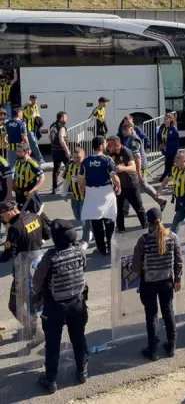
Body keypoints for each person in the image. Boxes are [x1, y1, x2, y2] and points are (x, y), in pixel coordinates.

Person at [32, 220, 88, 394]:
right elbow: (83, 268)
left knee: (53, 344)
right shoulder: (79, 251)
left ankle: (51, 380)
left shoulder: (50, 257)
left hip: (55, 307)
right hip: (78, 303)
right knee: (79, 339)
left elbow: (37, 283)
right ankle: (82, 372)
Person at [129, 208, 182, 360]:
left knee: (151, 315)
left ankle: (153, 350)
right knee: (168, 311)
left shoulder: (143, 240)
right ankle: (171, 346)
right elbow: (178, 261)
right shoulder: (172, 237)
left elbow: (136, 267)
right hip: (167, 282)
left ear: (148, 222)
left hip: (149, 283)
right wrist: (177, 279)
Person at [0, 200, 50, 337]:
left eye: (2, 216)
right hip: (39, 266)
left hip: (23, 271)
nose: (2, 220)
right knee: (37, 299)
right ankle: (43, 327)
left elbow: (9, 254)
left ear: (9, 212)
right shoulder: (35, 217)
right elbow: (47, 235)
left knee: (15, 305)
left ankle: (33, 330)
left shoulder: (15, 228)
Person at [81, 138, 122, 250]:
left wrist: (83, 191)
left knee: (96, 222)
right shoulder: (107, 160)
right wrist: (119, 186)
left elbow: (81, 180)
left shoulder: (86, 161)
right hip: (106, 193)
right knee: (109, 220)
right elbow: (114, 176)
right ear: (100, 146)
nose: (106, 145)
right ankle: (110, 246)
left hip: (91, 193)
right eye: (104, 143)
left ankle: (101, 248)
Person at [121, 123, 168, 212]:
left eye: (126, 130)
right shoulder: (128, 138)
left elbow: (137, 158)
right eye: (123, 130)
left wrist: (138, 173)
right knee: (129, 187)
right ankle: (125, 208)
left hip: (138, 167)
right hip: (133, 167)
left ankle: (160, 200)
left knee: (142, 186)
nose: (124, 132)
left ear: (131, 129)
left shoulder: (134, 140)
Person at [106, 135, 145, 233]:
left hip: (131, 185)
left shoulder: (126, 151)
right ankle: (121, 229)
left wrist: (123, 168)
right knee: (119, 209)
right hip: (119, 186)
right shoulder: (110, 153)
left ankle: (146, 227)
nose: (108, 147)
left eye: (110, 145)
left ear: (117, 145)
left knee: (138, 208)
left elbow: (133, 168)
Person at [61, 147, 92, 249]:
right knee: (77, 216)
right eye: (74, 157)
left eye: (78, 157)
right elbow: (66, 179)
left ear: (84, 156)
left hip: (86, 197)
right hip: (74, 196)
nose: (76, 159)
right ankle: (91, 229)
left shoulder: (88, 165)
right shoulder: (70, 164)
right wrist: (64, 193)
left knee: (84, 219)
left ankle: (86, 239)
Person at [12, 142, 46, 214]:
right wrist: (14, 183)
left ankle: (47, 224)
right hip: (20, 193)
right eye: (17, 151)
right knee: (22, 215)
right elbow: (17, 174)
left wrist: (34, 190)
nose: (17, 153)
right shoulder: (17, 161)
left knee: (36, 214)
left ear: (26, 152)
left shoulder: (32, 163)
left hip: (29, 195)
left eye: (19, 151)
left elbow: (42, 177)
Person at [49, 111, 70, 194]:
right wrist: (67, 150)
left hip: (54, 150)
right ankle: (69, 187)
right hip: (61, 150)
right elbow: (61, 139)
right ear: (62, 118)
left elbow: (49, 137)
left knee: (56, 169)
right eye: (66, 117)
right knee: (69, 168)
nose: (67, 118)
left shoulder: (52, 126)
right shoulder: (61, 127)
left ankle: (54, 187)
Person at [157, 113, 180, 183]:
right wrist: (161, 144)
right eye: (164, 119)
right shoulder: (162, 127)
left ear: (170, 119)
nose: (164, 120)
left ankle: (165, 178)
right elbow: (158, 136)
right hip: (165, 150)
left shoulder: (173, 128)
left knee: (169, 165)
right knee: (169, 164)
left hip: (171, 150)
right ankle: (170, 177)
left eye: (166, 119)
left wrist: (174, 151)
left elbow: (176, 141)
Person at [22, 95, 43, 163]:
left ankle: (30, 159)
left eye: (36, 100)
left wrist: (37, 118)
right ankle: (40, 159)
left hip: (34, 128)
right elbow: (24, 113)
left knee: (32, 144)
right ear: (30, 100)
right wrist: (31, 115)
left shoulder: (35, 106)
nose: (35, 102)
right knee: (34, 143)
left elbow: (37, 115)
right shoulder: (26, 107)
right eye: (33, 100)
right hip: (28, 129)